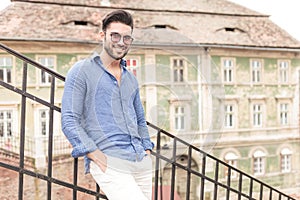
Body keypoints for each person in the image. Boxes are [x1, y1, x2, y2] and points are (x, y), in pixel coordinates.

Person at [61, 9, 154, 200]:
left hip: (140, 160)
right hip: (109, 159)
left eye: (127, 37)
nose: (121, 42)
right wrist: (94, 154)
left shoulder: (131, 79)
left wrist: (147, 150)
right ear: (102, 35)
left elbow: (139, 118)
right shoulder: (82, 71)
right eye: (115, 35)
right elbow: (69, 119)